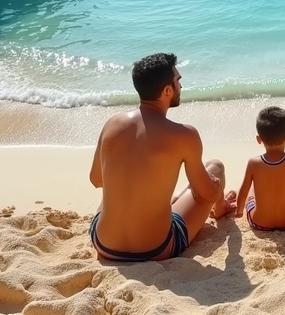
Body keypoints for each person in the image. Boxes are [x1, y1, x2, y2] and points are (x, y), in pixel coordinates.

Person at [89, 53, 232, 262]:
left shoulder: (112, 123)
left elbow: (96, 180)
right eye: (178, 81)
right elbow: (206, 194)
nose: (181, 87)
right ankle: (223, 210)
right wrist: (216, 188)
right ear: (167, 90)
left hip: (104, 244)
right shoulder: (184, 135)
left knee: (121, 184)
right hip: (156, 248)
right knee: (215, 167)